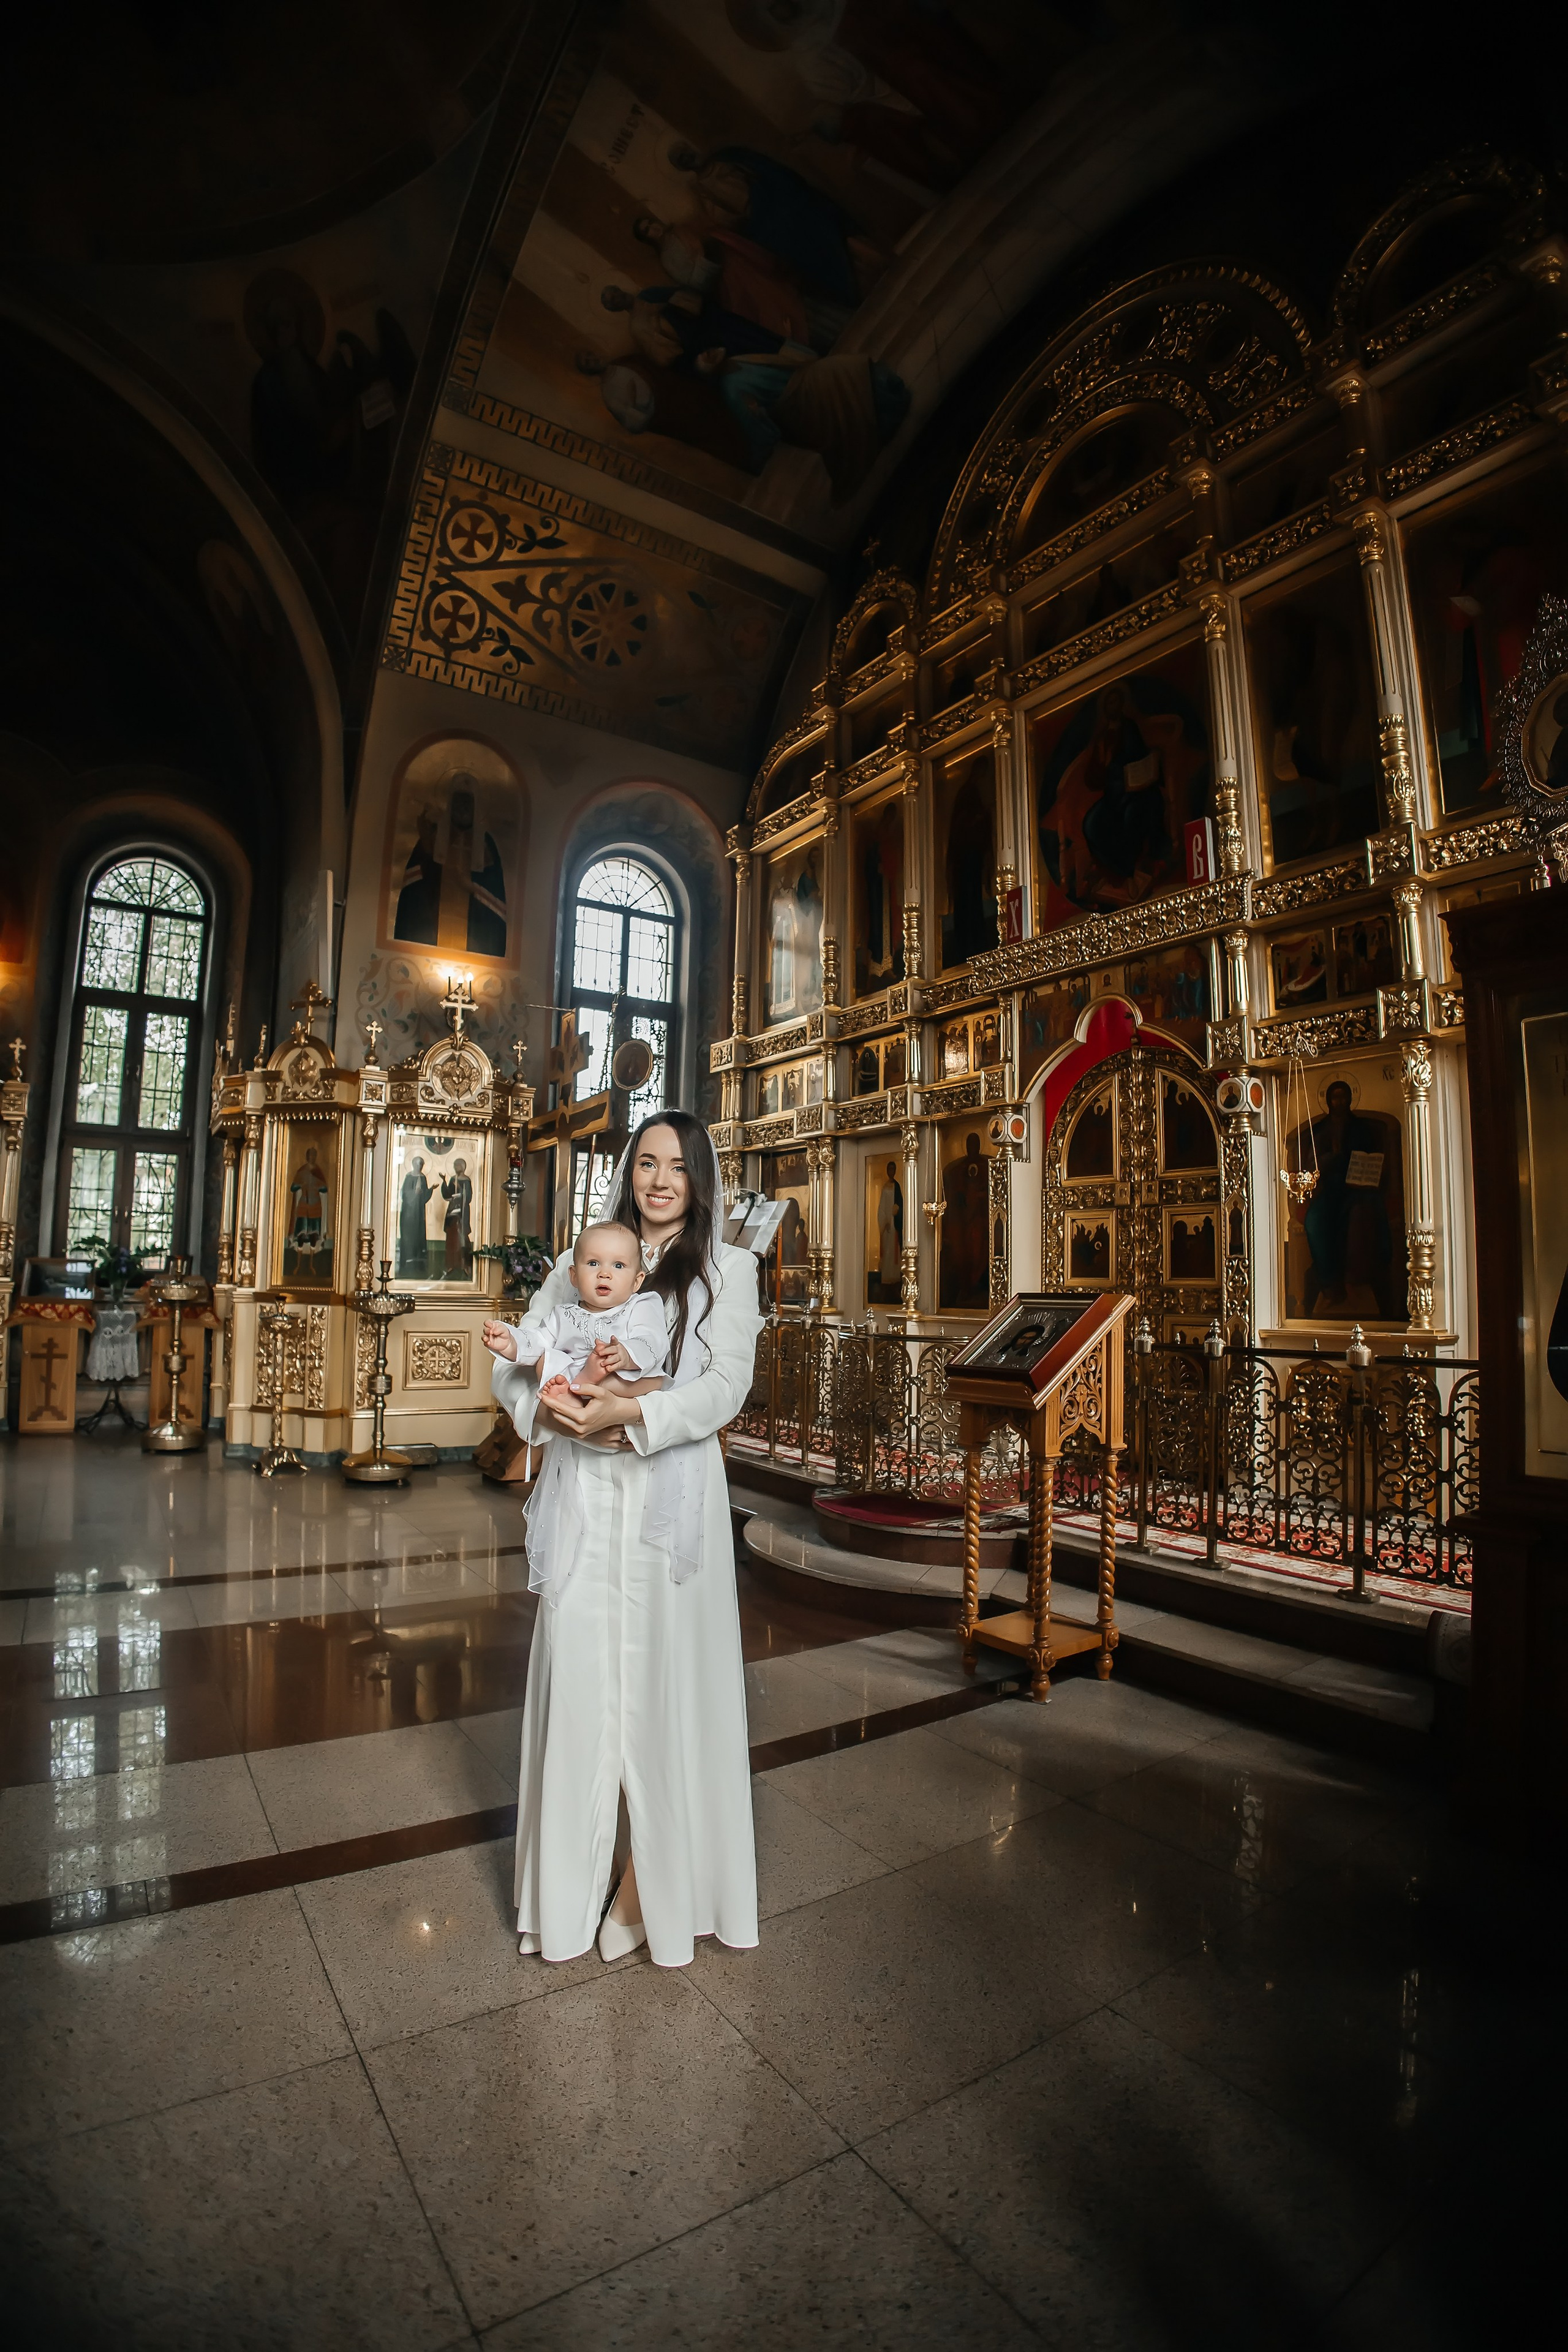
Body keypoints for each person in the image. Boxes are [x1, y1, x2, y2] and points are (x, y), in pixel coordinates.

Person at [483, 1111, 764, 1969]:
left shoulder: (728, 1268)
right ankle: (567, 1895)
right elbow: (516, 1367)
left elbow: (726, 1388)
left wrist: (631, 1412)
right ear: (628, 1171)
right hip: (581, 1504)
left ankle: (653, 1883)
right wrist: (555, 1413)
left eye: (677, 1166)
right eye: (646, 1163)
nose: (659, 1180)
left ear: (701, 1177)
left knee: (663, 1689)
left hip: (666, 1504)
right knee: (581, 1688)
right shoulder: (589, 1255)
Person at [440, 1158, 472, 1277]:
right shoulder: (453, 1179)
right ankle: (451, 1264)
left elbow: (468, 1198)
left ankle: (465, 1265)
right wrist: (444, 1181)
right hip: (452, 1213)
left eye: (458, 1166)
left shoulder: (467, 1181)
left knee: (463, 1239)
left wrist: (460, 1188)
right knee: (451, 1238)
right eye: (455, 1166)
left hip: (462, 1213)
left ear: (463, 1167)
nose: (456, 1168)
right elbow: (448, 1194)